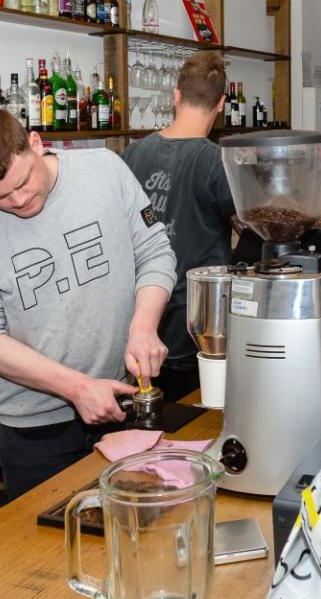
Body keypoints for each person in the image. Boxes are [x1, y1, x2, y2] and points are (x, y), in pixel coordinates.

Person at [0, 108, 177, 499]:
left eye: (23, 182)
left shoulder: (105, 170)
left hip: (125, 402)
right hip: (34, 431)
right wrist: (77, 388)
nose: (19, 200)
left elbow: (154, 251)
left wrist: (143, 327)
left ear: (36, 143)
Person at [121, 51, 245, 401]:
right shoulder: (218, 162)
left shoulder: (134, 153)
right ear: (221, 103)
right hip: (198, 322)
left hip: (141, 319)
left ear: (175, 95)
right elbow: (249, 227)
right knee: (197, 426)